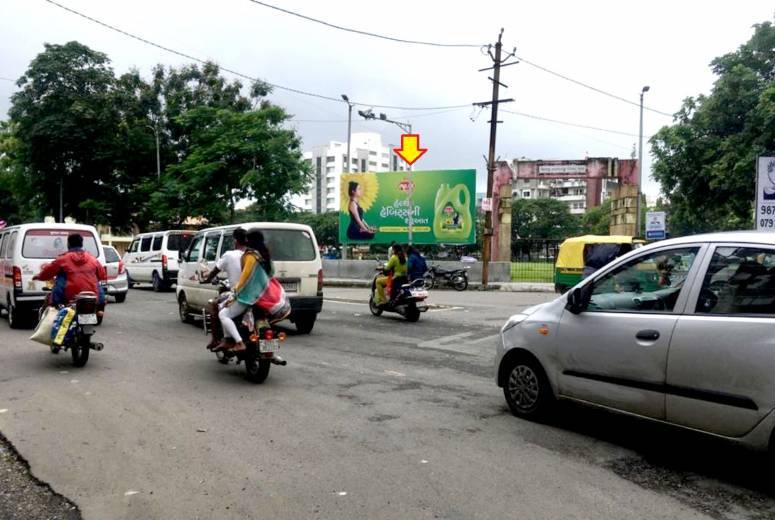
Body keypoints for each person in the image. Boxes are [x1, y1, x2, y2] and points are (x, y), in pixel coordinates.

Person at [217, 229, 273, 353]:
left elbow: (244, 277)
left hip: (248, 297)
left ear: (249, 241)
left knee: (223, 314)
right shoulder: (265, 255)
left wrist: (234, 293)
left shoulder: (250, 256)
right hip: (264, 297)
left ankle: (239, 342)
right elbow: (271, 274)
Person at [33, 234, 107, 311]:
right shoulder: (93, 259)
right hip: (93, 296)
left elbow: (47, 272)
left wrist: (39, 276)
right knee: (96, 282)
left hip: (69, 297)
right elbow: (102, 275)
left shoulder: (62, 259)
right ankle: (100, 308)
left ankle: (55, 306)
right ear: (82, 244)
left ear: (68, 244)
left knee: (61, 276)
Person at [202, 228, 247, 350]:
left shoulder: (229, 255)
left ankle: (220, 339)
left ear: (235, 240)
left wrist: (206, 279)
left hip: (241, 295)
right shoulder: (253, 255)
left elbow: (214, 271)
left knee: (217, 306)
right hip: (258, 295)